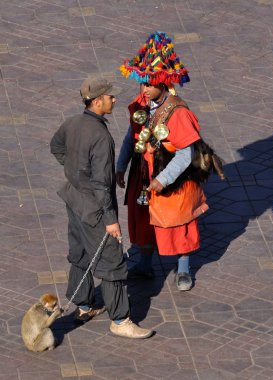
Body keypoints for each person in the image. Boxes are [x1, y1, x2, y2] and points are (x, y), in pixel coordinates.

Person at [117, 32, 223, 291]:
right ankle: (144, 263)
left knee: (179, 222)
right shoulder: (141, 105)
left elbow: (186, 154)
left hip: (173, 178)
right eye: (142, 84)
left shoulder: (179, 113)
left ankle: (184, 268)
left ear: (163, 84)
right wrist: (121, 166)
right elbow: (131, 138)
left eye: (150, 84)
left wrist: (163, 180)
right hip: (143, 174)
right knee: (143, 220)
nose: (145, 89)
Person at [50, 76, 153, 339]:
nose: (114, 100)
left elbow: (56, 146)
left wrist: (73, 171)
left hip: (74, 199)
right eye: (110, 97)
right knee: (113, 261)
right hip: (95, 208)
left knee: (82, 251)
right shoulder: (101, 137)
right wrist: (111, 220)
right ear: (97, 102)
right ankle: (120, 320)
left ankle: (84, 305)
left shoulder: (72, 123)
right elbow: (101, 184)